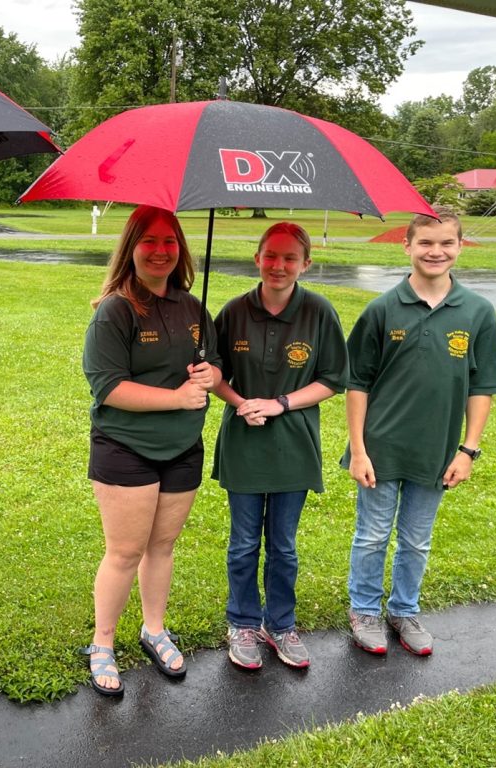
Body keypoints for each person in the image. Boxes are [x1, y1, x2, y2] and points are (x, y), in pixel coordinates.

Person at [343, 207, 496, 657]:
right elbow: (357, 383)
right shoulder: (381, 309)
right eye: (426, 242)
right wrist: (358, 450)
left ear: (459, 246)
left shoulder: (477, 312)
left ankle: (404, 609)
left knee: (416, 538)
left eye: (446, 242)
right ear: (407, 245)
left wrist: (468, 450)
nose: (436, 251)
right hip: (381, 447)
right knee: (372, 534)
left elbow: (483, 387)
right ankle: (365, 610)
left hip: (436, 451)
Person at [81, 204, 222, 696]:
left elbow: (217, 368)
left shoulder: (192, 307)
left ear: (181, 248)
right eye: (150, 241)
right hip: (127, 448)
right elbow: (108, 387)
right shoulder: (115, 310)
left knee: (162, 547)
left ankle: (153, 630)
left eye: (169, 241)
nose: (161, 251)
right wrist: (178, 398)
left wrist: (211, 375)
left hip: (183, 447)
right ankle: (102, 644)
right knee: (124, 551)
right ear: (131, 248)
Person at [212, 222, 348, 670]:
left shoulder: (320, 312)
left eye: (290, 258)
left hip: (294, 445)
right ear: (257, 258)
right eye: (271, 255)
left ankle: (280, 624)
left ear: (305, 264)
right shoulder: (233, 312)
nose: (279, 265)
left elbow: (333, 379)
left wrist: (279, 403)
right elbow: (214, 375)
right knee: (244, 542)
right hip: (244, 444)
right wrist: (241, 401)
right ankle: (243, 622)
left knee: (284, 545)